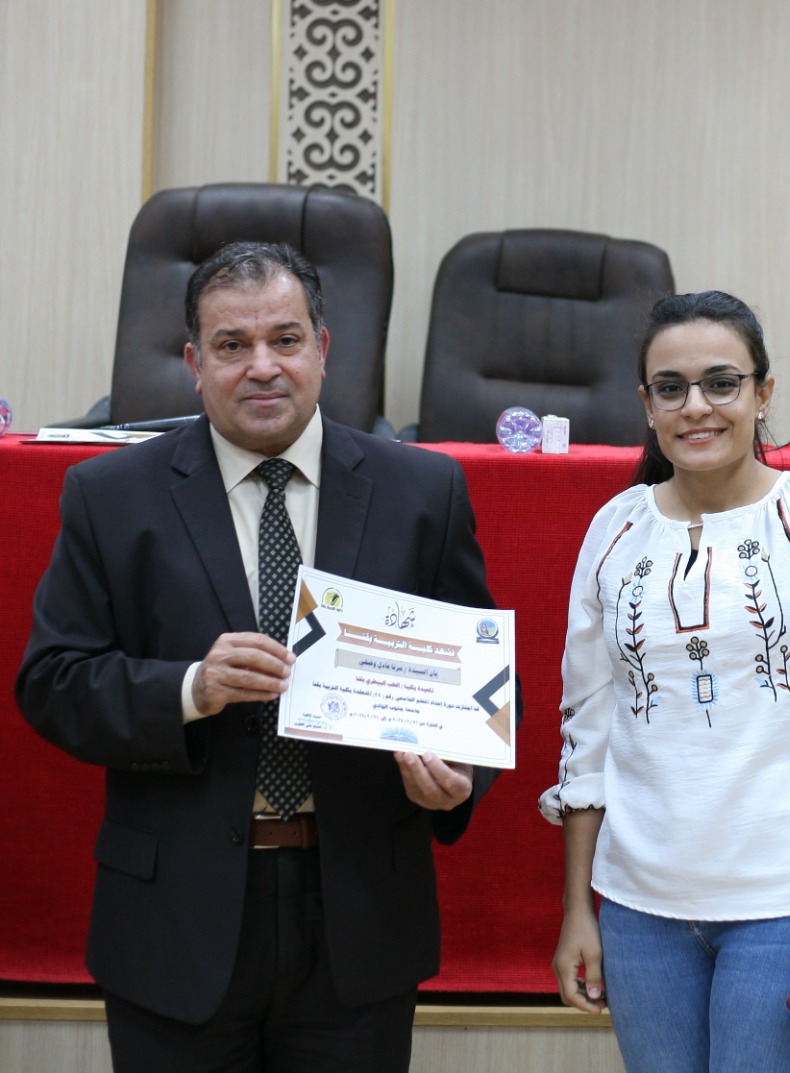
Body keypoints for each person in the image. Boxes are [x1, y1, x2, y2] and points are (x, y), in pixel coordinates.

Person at [16, 241, 512, 1073]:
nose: (262, 366)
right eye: (232, 345)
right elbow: (53, 681)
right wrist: (190, 687)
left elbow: (485, 682)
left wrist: (462, 769)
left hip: (359, 912)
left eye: (285, 339)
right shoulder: (110, 496)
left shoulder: (422, 491)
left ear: (323, 348)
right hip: (175, 915)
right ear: (193, 364)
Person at [540, 291, 790, 1072]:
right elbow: (586, 732)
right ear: (646, 404)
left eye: (721, 382)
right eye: (670, 388)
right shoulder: (613, 530)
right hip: (640, 909)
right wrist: (579, 908)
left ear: (763, 392)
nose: (696, 406)